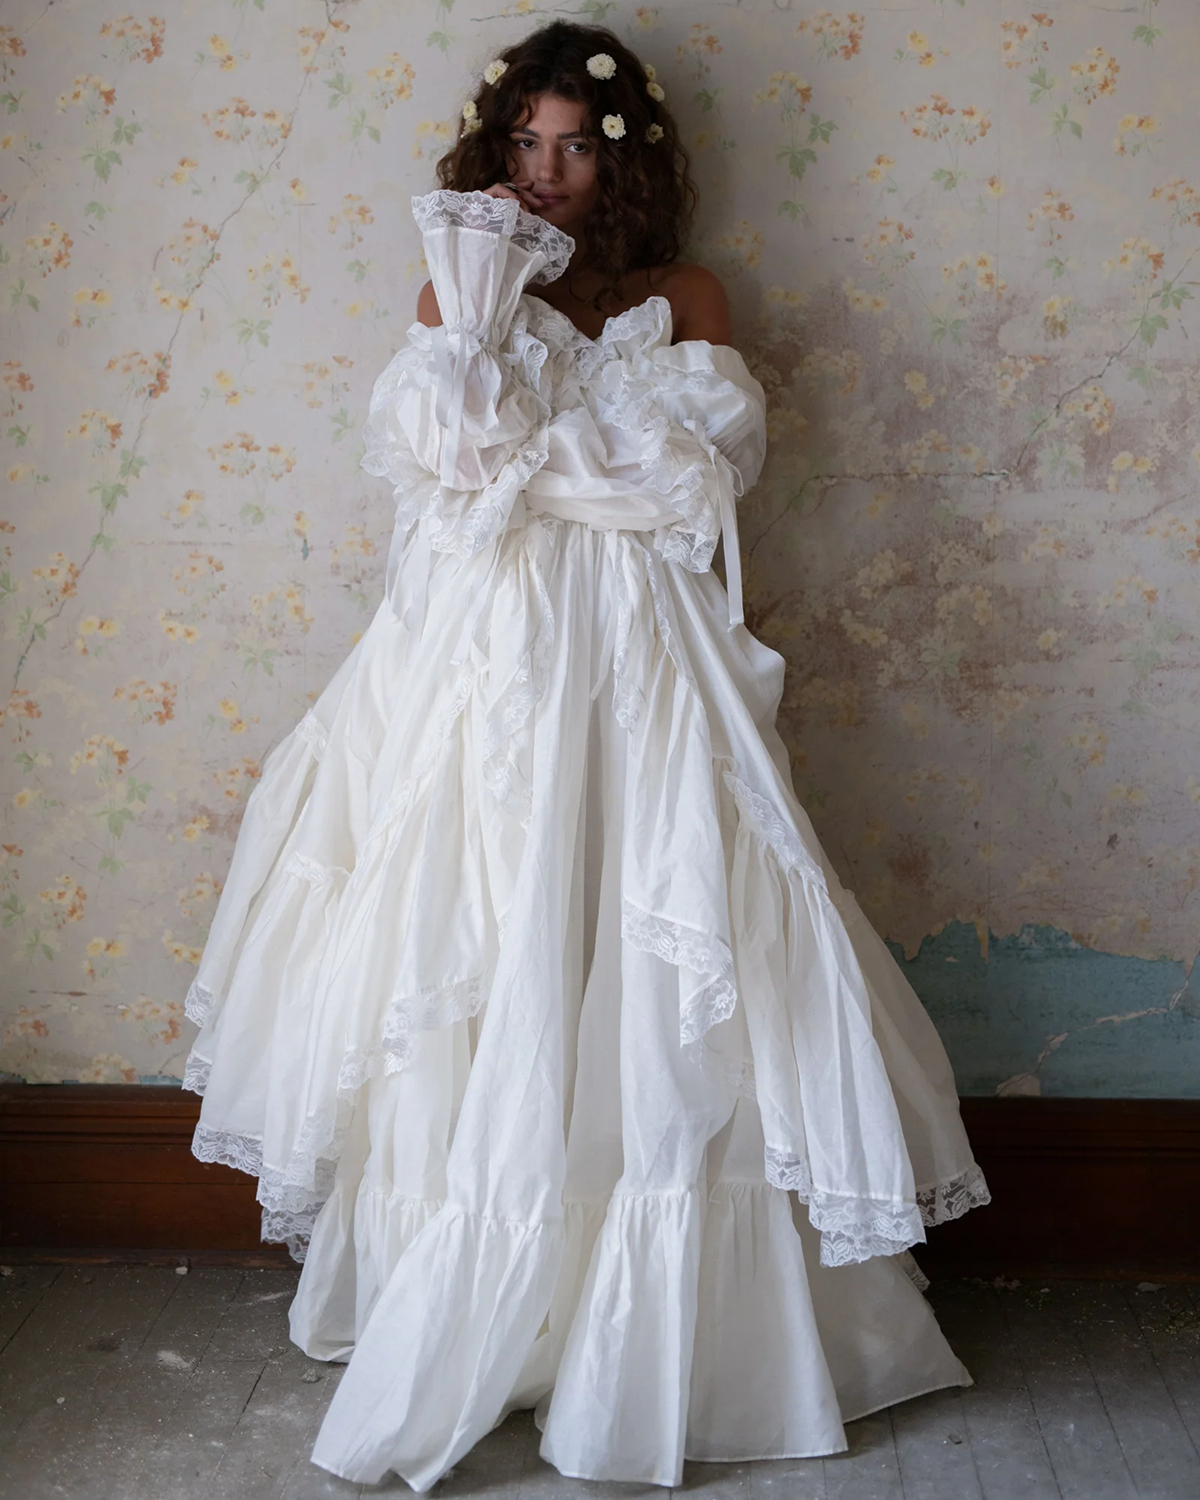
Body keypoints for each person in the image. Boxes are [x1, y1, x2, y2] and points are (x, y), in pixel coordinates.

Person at [181, 20, 990, 1492]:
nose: (546, 171)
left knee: (661, 931)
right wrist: (500, 355)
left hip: (644, 671)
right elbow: (448, 464)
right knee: (484, 930)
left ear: (624, 158)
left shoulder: (686, 295)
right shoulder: (459, 285)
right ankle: (477, 1292)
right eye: (525, 143)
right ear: (495, 150)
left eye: (574, 145)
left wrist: (534, 464)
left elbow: (689, 477)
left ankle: (656, 1321)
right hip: (486, 668)